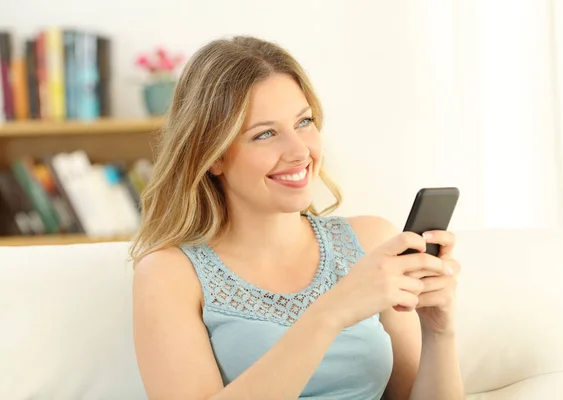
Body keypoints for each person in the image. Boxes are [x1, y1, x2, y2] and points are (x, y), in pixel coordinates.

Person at [130, 35, 464, 400]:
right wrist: (330, 313)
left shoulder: (370, 241)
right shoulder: (169, 272)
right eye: (266, 134)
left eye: (304, 122)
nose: (299, 150)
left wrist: (439, 332)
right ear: (213, 156)